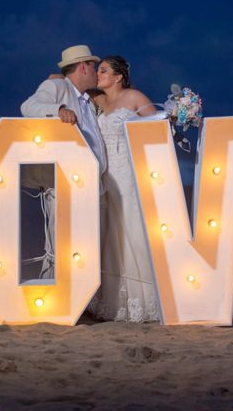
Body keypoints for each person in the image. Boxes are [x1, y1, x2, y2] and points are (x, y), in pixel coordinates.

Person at [20, 45, 107, 279]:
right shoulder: (57, 87)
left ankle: (80, 298)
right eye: (94, 67)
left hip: (91, 184)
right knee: (61, 242)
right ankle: (53, 293)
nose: (96, 73)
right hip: (65, 182)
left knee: (86, 246)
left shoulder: (90, 100)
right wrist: (58, 110)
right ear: (82, 67)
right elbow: (28, 107)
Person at [88, 55, 160, 323]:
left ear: (118, 76)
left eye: (104, 70)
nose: (98, 74)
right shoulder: (96, 99)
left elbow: (158, 127)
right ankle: (108, 298)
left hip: (127, 175)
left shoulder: (133, 97)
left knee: (130, 230)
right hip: (105, 175)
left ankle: (143, 297)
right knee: (108, 233)